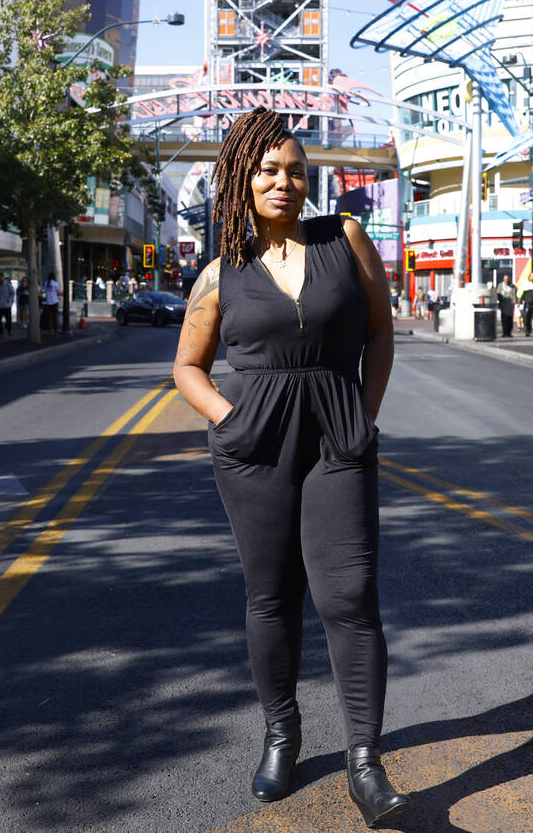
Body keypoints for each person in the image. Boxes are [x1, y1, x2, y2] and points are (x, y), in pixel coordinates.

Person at [172, 108, 411, 827]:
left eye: (297, 171)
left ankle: (364, 762)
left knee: (350, 597)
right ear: (241, 180)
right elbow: (186, 366)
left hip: (337, 439)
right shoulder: (221, 274)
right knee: (271, 596)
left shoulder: (345, 237)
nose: (285, 182)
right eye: (269, 170)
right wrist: (228, 417)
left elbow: (379, 335)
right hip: (256, 447)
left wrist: (362, 419)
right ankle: (282, 734)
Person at [0, 271, 14, 338]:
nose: (0, 279)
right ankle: (0, 333)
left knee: (8, 320)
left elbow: (12, 293)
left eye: (1, 277)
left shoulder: (8, 285)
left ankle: (9, 331)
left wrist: (9, 301)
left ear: (3, 278)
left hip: (6, 306)